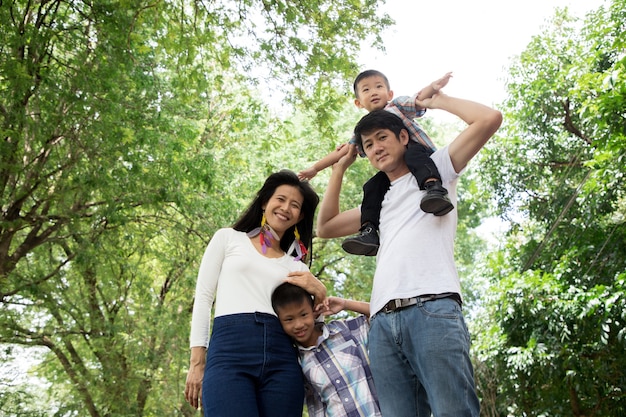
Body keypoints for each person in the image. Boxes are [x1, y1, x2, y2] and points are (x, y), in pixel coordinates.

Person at [316, 92, 502, 416]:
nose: (376, 148)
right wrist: (339, 169)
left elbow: (489, 119)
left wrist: (437, 99)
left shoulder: (438, 170)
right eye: (368, 145)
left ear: (403, 137)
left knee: (453, 411)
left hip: (432, 308)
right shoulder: (377, 204)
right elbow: (327, 226)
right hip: (383, 325)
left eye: (382, 138)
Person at [184, 170, 327, 417]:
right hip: (229, 352)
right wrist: (197, 363)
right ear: (264, 202)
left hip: (282, 358)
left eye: (295, 205)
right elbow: (204, 298)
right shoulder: (228, 239)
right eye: (280, 199)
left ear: (299, 216)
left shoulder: (298, 267)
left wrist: (321, 293)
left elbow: (310, 328)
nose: (285, 208)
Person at [299, 70, 454, 257]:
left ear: (389, 94)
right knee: (372, 186)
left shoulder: (397, 107)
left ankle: (433, 188)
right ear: (358, 103)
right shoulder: (362, 131)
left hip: (420, 157)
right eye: (366, 89)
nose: (373, 92)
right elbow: (342, 152)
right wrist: (315, 168)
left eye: (379, 87)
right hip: (396, 170)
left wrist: (434, 87)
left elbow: (418, 98)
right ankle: (369, 230)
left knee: (413, 155)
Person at [271, 282, 381, 417]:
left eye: (304, 314)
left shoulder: (344, 331)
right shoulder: (296, 362)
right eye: (289, 319)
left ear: (313, 311)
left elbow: (379, 314)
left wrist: (345, 304)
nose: (298, 324)